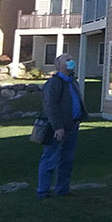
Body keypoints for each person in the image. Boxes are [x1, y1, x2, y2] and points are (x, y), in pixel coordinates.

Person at [37, 52, 89, 198]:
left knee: (67, 159)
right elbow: (50, 106)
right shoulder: (54, 83)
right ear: (59, 65)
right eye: (67, 60)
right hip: (58, 128)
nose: (71, 61)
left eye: (71, 59)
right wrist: (58, 127)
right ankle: (43, 191)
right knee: (50, 158)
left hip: (73, 125)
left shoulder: (73, 82)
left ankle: (62, 189)